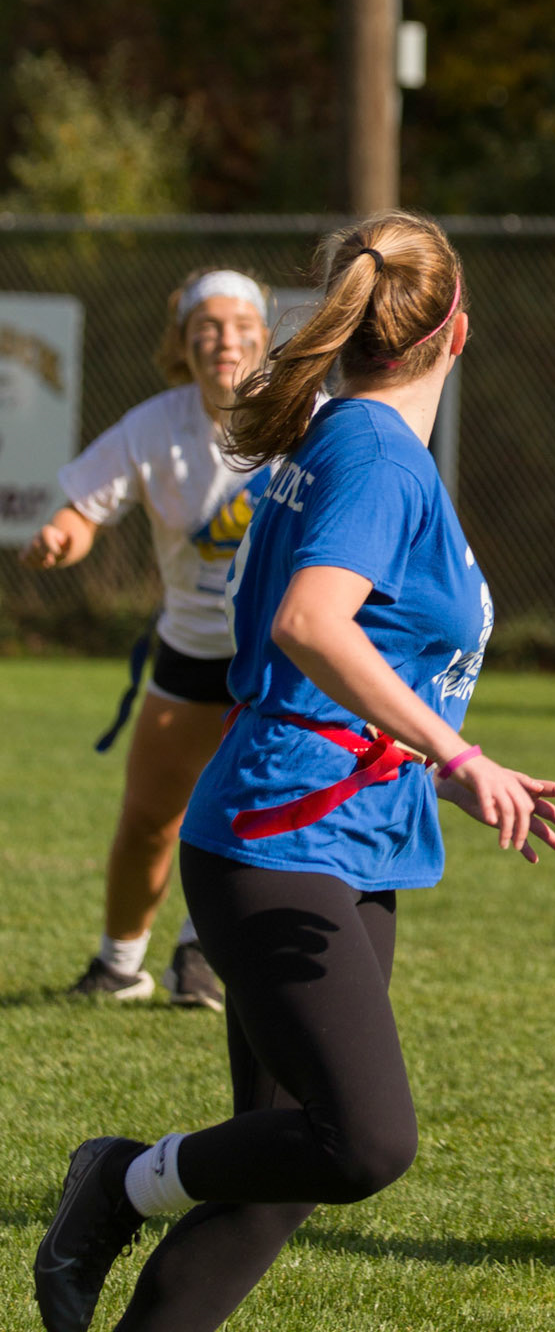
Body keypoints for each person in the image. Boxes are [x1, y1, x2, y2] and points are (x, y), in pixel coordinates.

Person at [32, 209, 555, 1332]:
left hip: (338, 832)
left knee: (285, 1164)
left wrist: (434, 762)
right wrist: (461, 755)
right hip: (285, 838)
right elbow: (309, 622)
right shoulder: (375, 455)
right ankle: (119, 1179)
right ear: (457, 331)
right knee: (366, 1141)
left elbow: (343, 651)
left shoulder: (340, 435)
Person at [21, 270, 276, 1009]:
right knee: (148, 819)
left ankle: (200, 955)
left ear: (266, 338)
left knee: (247, 820)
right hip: (191, 651)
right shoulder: (154, 425)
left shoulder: (305, 417)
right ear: (181, 343)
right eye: (207, 327)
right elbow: (83, 510)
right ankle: (118, 966)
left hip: (280, 660)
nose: (225, 340)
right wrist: (59, 538)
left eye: (241, 326)